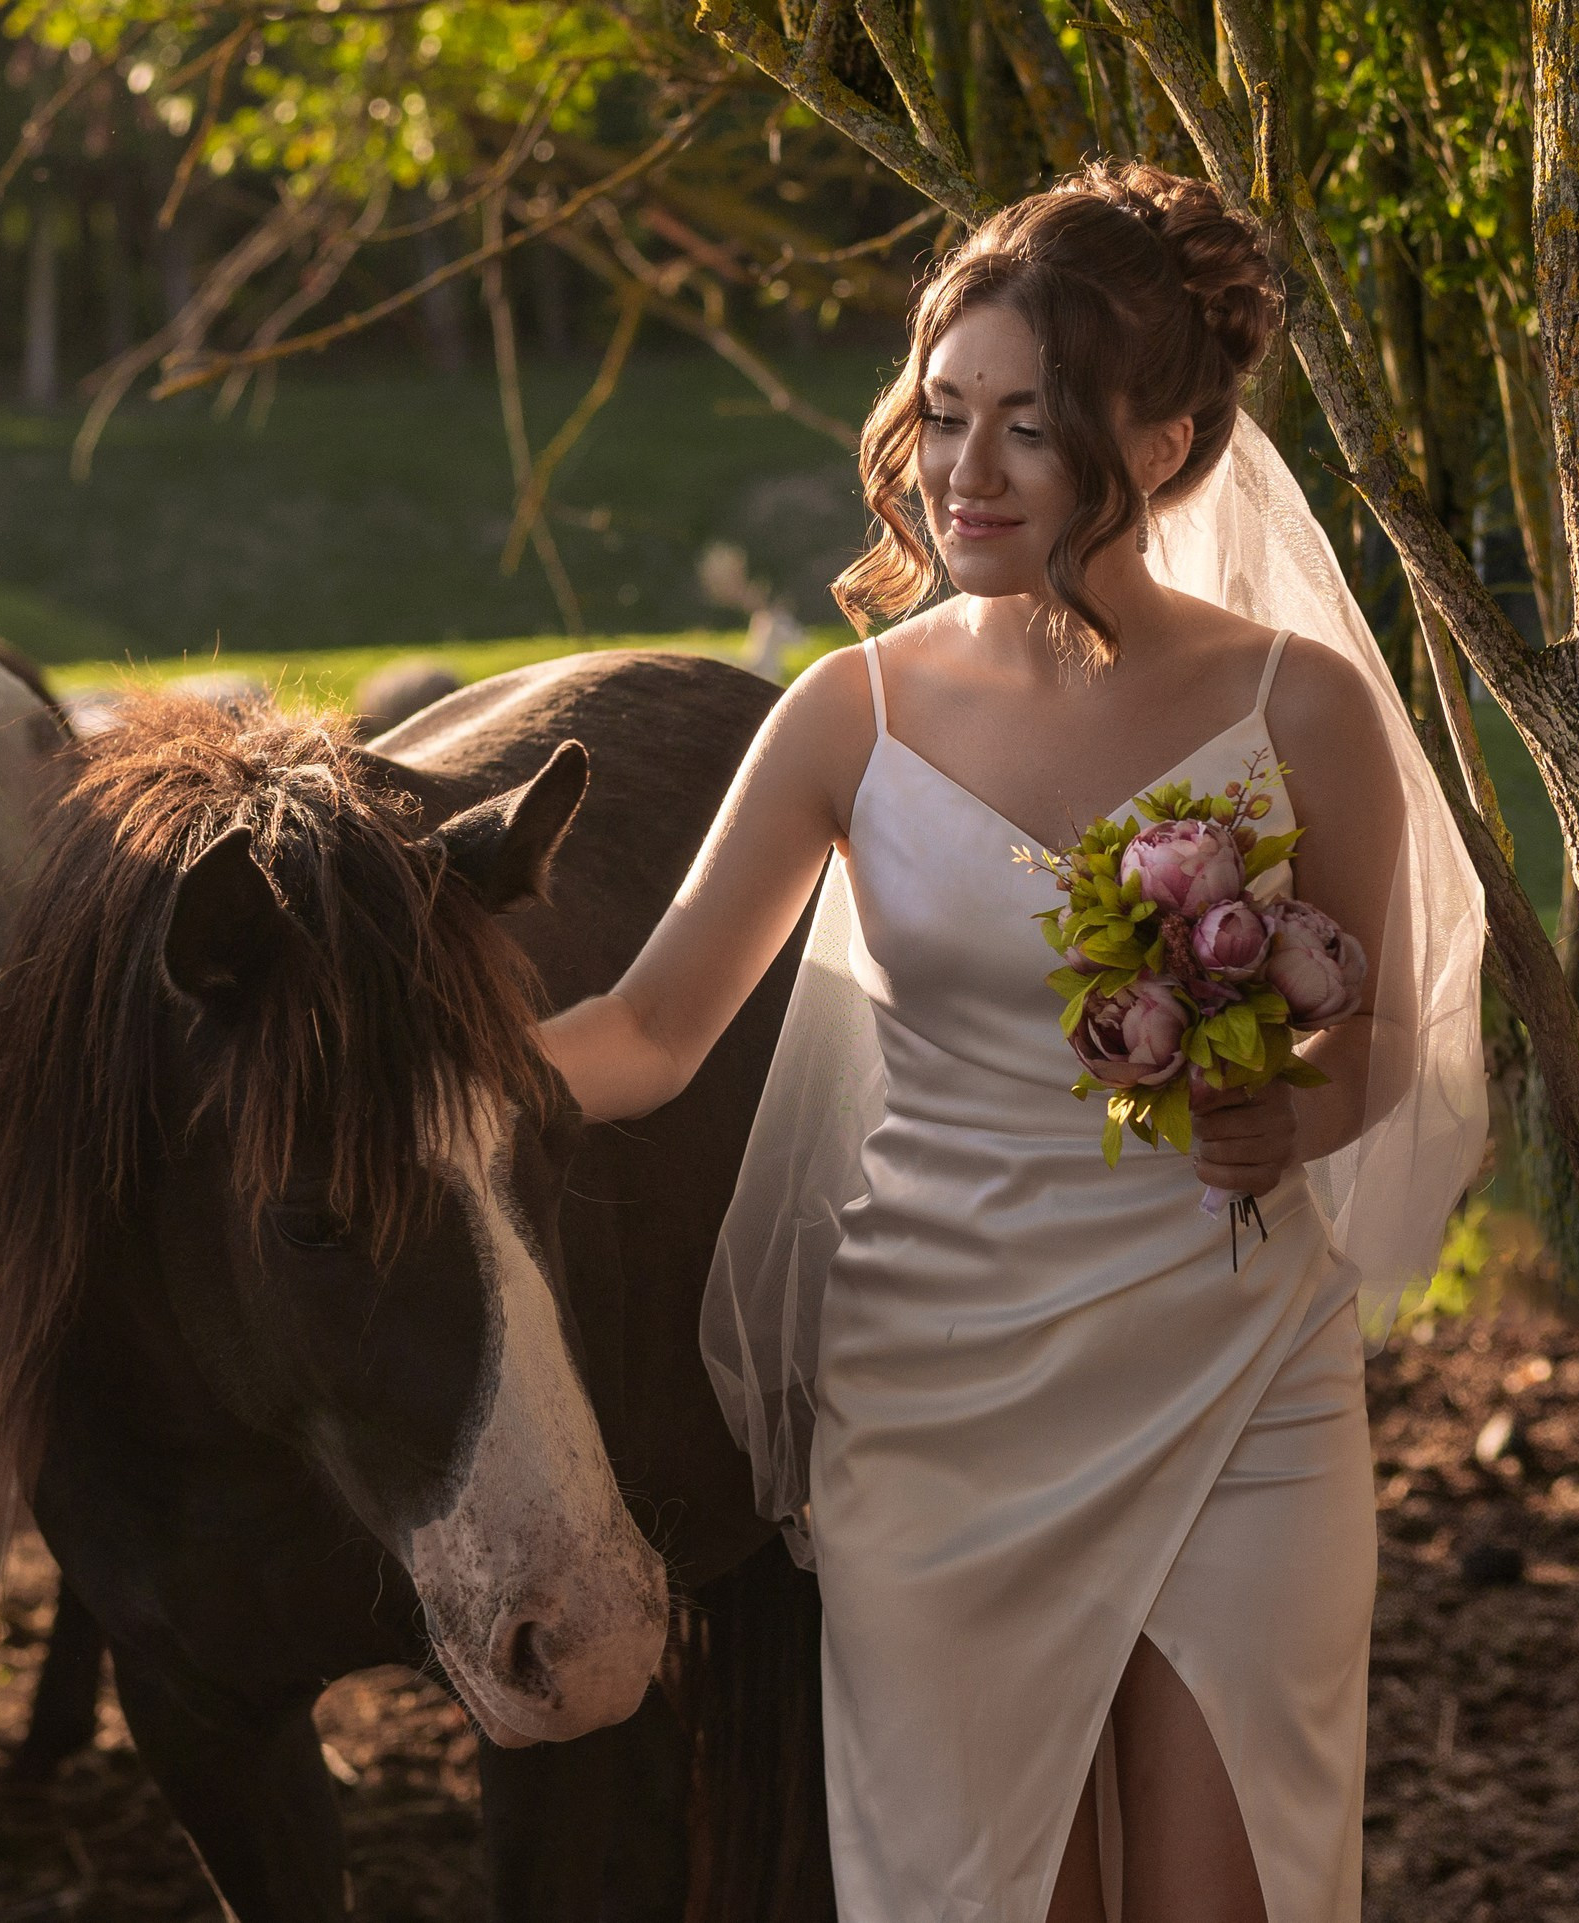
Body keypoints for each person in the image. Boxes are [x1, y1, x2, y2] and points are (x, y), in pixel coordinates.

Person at [535, 161, 1485, 1921]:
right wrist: (452, 1071)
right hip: (940, 1407)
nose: (962, 472)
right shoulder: (854, 713)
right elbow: (653, 1030)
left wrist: (1285, 1114)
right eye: (944, 413)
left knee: (1241, 1890)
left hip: (1240, 1378)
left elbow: (1383, 1043)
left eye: (1029, 428)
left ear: (1170, 442)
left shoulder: (1303, 707)